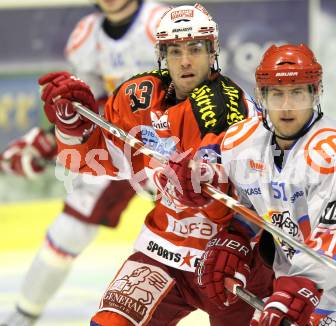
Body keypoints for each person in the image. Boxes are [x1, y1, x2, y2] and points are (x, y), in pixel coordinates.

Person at [37, 3, 273, 325]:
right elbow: (94, 160)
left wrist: (209, 187)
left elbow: (268, 195)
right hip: (163, 251)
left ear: (212, 50)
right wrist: (72, 127)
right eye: (175, 51)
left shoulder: (233, 109)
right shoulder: (139, 96)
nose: (185, 60)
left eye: (195, 48)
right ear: (162, 54)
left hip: (229, 258)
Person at [170, 44, 336, 325]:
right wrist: (235, 235)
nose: (287, 106)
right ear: (261, 96)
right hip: (296, 279)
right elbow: (239, 192)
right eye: (277, 94)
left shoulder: (334, 152)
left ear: (315, 93)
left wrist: (296, 287)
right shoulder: (243, 141)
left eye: (297, 93)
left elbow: (335, 240)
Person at [0, 0, 166, 325]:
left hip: (171, 144)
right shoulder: (86, 36)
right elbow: (87, 105)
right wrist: (52, 137)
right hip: (117, 146)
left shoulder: (160, 23)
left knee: (203, 227)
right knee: (69, 230)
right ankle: (24, 314)